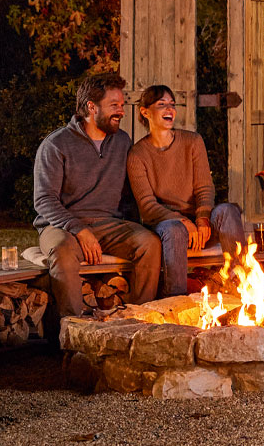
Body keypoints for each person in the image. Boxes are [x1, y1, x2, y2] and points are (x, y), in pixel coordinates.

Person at [33, 72, 162, 316]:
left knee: (149, 244)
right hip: (61, 226)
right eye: (114, 105)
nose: (121, 111)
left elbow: (129, 195)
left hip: (108, 224)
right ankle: (72, 330)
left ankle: (138, 321)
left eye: (122, 105)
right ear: (91, 107)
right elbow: (44, 200)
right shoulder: (56, 144)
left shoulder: (122, 142)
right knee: (62, 252)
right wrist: (79, 230)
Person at [126, 84, 250, 298]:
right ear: (145, 112)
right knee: (175, 230)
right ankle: (177, 300)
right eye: (161, 104)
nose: (169, 110)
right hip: (168, 227)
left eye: (172, 105)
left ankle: (241, 287)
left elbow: (204, 187)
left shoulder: (193, 141)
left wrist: (202, 218)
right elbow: (147, 207)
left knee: (228, 211)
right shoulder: (137, 155)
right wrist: (183, 222)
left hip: (200, 227)